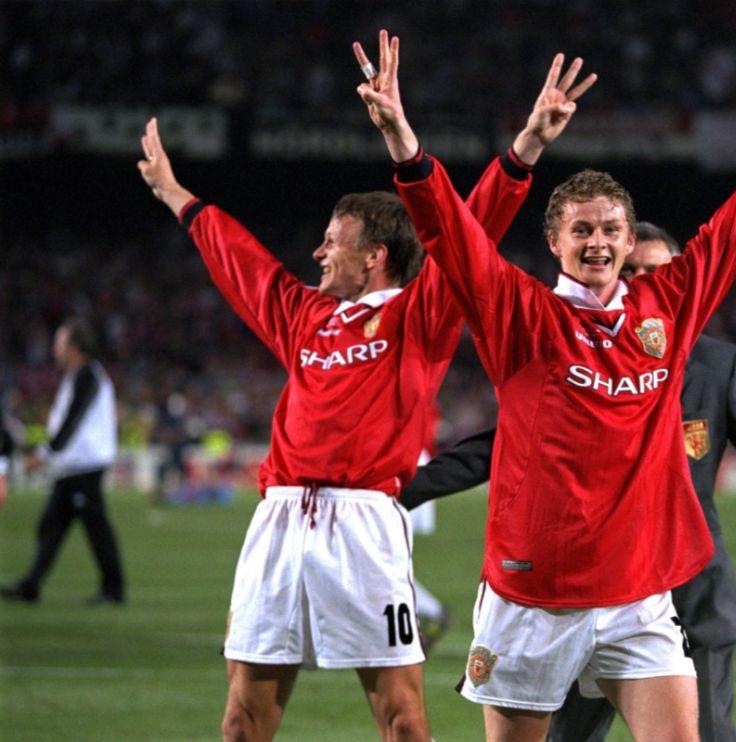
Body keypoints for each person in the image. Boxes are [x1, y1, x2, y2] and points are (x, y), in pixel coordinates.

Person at [358, 31, 736, 740]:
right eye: (582, 229)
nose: (598, 241)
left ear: (628, 242)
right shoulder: (521, 313)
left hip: (637, 596)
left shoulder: (667, 307)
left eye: (611, 229)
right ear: (554, 243)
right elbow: (452, 234)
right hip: (534, 596)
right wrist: (404, 142)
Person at [135, 49, 594, 741]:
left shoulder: (421, 312)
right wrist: (176, 194)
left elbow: (469, 228)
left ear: (375, 255)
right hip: (279, 522)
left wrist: (526, 147)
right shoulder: (304, 315)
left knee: (402, 720)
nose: (319, 253)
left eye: (332, 242)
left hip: (364, 525)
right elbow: (240, 262)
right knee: (240, 720)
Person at [401, 221, 736, 742]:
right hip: (592, 583)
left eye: (658, 272)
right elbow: (502, 445)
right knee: (568, 736)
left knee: (709, 735)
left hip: (690, 590)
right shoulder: (579, 352)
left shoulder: (718, 365)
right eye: (634, 272)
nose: (645, 282)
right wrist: (400, 490)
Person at [2, 319, 124, 605]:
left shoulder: (88, 376)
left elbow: (73, 420)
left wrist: (45, 453)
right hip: (73, 467)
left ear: (74, 347)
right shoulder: (79, 376)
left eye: (60, 342)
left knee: (93, 528)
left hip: (84, 466)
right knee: (52, 526)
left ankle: (113, 590)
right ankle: (32, 585)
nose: (55, 348)